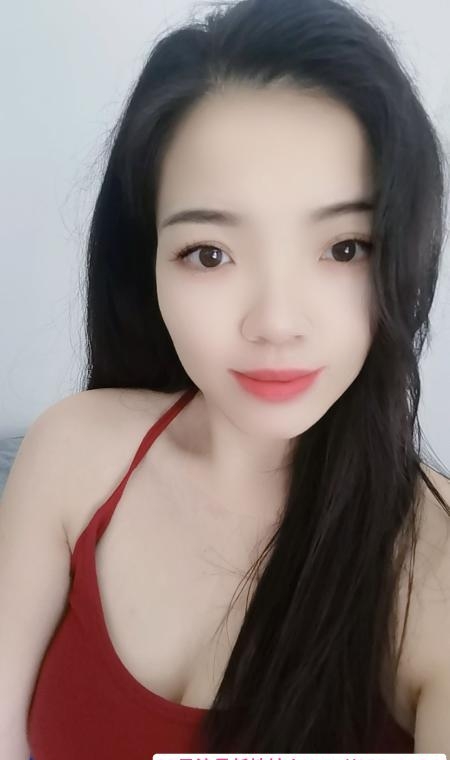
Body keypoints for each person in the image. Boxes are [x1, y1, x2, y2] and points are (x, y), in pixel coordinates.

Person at [1, 0, 450, 757]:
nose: (276, 322)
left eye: (344, 248)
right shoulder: (73, 454)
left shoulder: (434, 569)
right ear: (147, 263)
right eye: (210, 254)